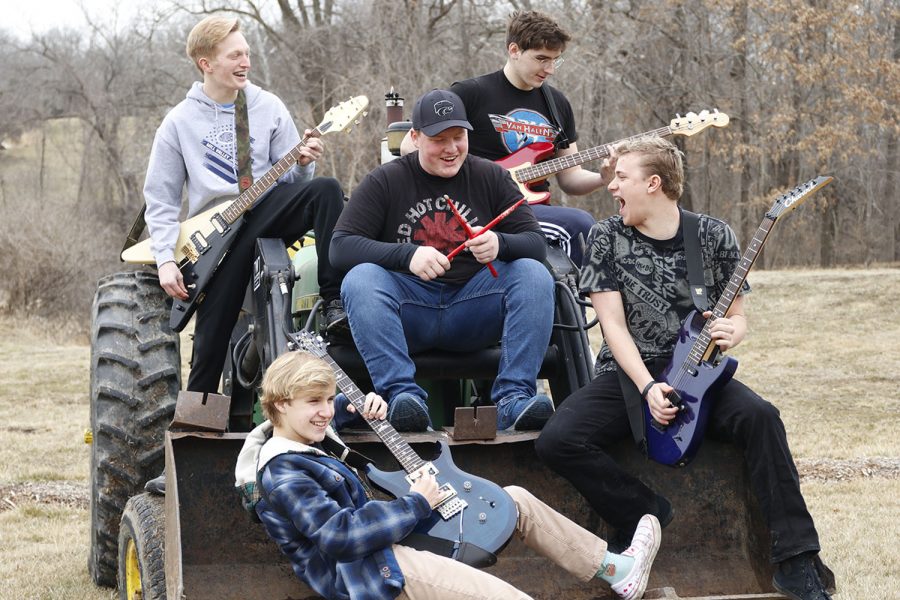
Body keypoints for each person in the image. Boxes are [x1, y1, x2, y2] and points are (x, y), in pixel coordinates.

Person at [535, 137, 835, 600]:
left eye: (622, 178)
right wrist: (648, 386)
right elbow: (612, 326)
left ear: (653, 184)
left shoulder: (713, 236)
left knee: (762, 418)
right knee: (558, 439)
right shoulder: (604, 236)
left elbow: (736, 316)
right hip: (629, 372)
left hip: (700, 375)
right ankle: (643, 512)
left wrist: (733, 333)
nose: (610, 186)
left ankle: (795, 559)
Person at [235, 350, 662, 600]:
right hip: (371, 570)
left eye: (328, 399)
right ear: (278, 405)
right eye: (315, 401)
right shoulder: (284, 471)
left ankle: (615, 570)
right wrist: (417, 502)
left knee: (513, 498)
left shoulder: (305, 436)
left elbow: (327, 424)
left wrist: (356, 407)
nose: (324, 410)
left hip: (387, 543)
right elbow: (340, 538)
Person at [143, 15, 347, 397]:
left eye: (247, 53)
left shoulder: (267, 106)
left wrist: (304, 163)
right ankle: (196, 429)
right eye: (235, 55)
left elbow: (294, 185)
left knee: (325, 189)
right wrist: (166, 259)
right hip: (217, 240)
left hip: (269, 214)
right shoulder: (178, 123)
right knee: (209, 342)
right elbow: (161, 199)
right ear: (207, 64)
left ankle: (334, 302)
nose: (245, 62)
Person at [330, 89, 555, 432]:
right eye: (439, 139)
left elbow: (536, 244)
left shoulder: (490, 177)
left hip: (473, 309)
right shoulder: (386, 180)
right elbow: (340, 248)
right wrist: (408, 256)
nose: (451, 149)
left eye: (458, 137)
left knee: (533, 273)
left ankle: (513, 400)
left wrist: (500, 243)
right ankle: (402, 399)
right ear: (416, 138)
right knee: (360, 278)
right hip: (408, 311)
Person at [400, 10, 611, 268]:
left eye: (556, 60)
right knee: (579, 225)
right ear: (514, 50)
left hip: (529, 208)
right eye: (541, 59)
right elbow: (409, 145)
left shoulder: (558, 104)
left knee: (584, 226)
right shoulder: (471, 93)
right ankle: (577, 308)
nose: (550, 70)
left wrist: (603, 178)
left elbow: (570, 179)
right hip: (481, 206)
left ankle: (577, 305)